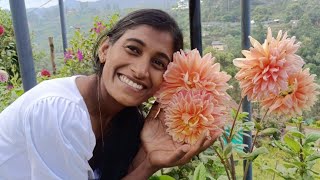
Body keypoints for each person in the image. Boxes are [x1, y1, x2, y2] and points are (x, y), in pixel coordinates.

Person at [0, 9, 220, 180]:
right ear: (105, 50)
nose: (141, 70)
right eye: (133, 49)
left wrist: (148, 163)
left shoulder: (126, 122)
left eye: (158, 63)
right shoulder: (59, 110)